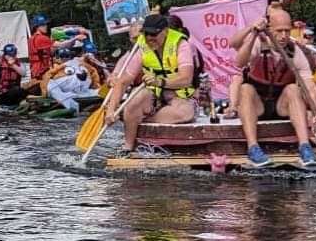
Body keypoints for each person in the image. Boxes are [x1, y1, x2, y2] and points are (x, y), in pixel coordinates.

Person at [235, 9, 316, 167]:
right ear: (270, 29)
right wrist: (253, 35)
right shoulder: (259, 43)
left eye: (287, 30)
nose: (284, 35)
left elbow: (310, 86)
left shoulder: (295, 52)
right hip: (257, 105)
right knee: (245, 89)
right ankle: (253, 148)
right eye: (279, 31)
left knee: (293, 88)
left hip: (281, 107)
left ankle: (305, 148)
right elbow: (239, 62)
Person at [105, 14, 196, 155]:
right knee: (133, 103)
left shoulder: (181, 45)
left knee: (183, 113)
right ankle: (128, 147)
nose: (149, 38)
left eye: (154, 34)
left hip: (179, 93)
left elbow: (186, 79)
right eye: (147, 34)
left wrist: (160, 81)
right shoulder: (142, 46)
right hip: (154, 94)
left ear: (165, 31)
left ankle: (138, 123)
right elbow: (123, 81)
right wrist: (111, 110)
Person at [27, 14, 89, 80]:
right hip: (40, 71)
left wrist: (70, 42)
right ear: (37, 27)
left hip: (36, 70)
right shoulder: (41, 38)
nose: (46, 26)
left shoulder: (32, 38)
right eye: (43, 25)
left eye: (46, 24)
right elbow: (62, 45)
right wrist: (75, 38)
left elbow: (51, 51)